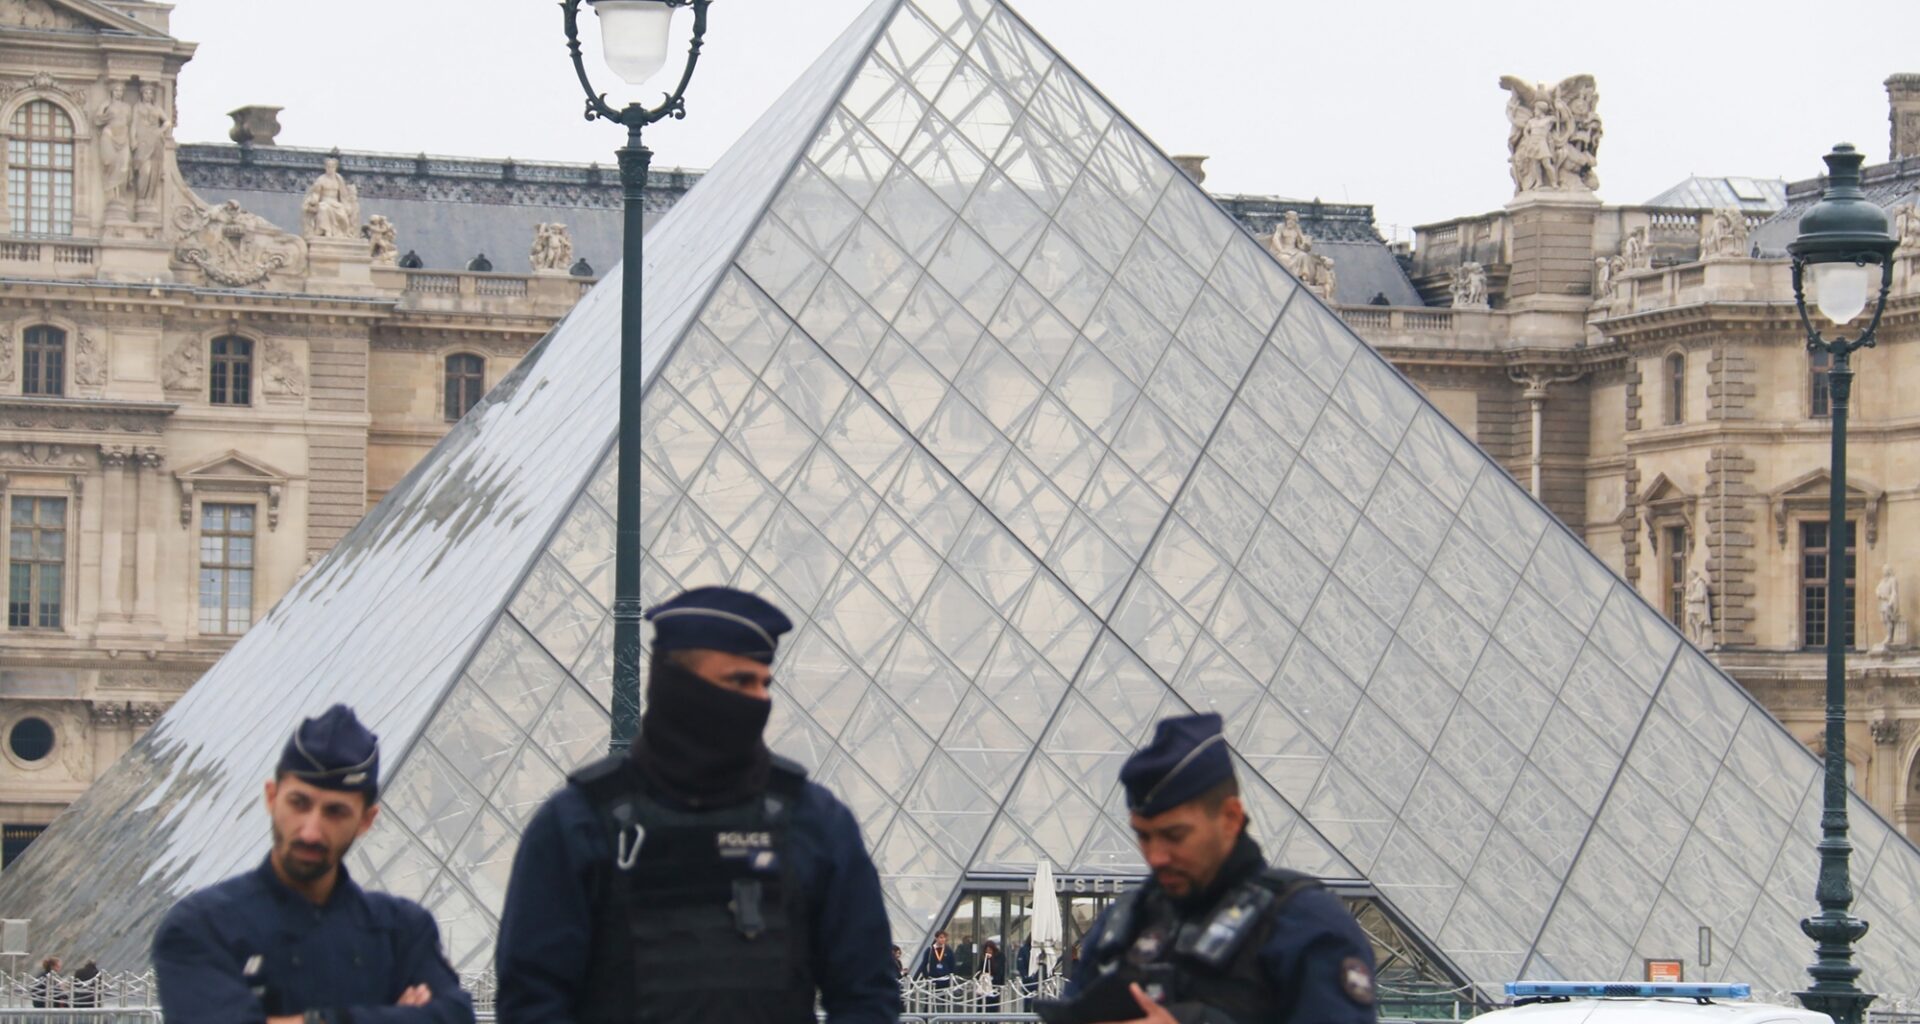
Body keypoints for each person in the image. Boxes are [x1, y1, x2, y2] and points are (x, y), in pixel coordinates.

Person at [494, 586, 900, 1023]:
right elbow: (533, 1001)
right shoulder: (578, 824)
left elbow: (866, 994)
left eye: (765, 682)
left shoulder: (816, 821)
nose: (760, 699)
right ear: (676, 685)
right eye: (738, 681)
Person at [152, 705, 475, 1023]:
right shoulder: (199, 926)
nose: (310, 831)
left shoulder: (405, 930)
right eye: (299, 803)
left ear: (366, 820)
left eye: (335, 811)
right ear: (271, 797)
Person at [1058, 713, 1378, 1024]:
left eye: (1174, 835)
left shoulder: (1305, 924)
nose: (1155, 857)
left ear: (1230, 818)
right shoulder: (1124, 921)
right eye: (1143, 835)